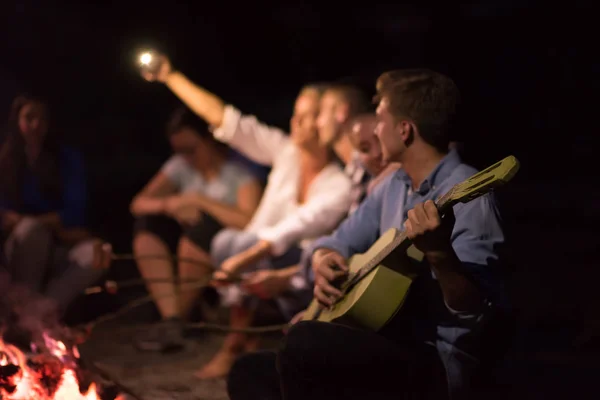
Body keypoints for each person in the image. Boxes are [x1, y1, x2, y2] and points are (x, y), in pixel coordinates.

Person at [227, 69, 507, 400]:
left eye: (380, 119)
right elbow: (336, 242)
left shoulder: (469, 194)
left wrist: (440, 255)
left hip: (435, 363)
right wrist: (324, 260)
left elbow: (474, 308)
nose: (375, 129)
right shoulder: (393, 185)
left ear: (404, 130)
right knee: (249, 371)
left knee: (305, 343)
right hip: (385, 340)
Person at [142, 55, 353, 377]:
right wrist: (170, 76)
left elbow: (291, 230)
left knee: (239, 243)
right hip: (255, 255)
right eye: (295, 114)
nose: (296, 122)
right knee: (229, 240)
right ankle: (238, 340)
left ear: (327, 122)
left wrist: (240, 261)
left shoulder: (338, 184)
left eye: (308, 116)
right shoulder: (286, 153)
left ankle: (235, 344)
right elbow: (226, 120)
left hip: (298, 271)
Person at [130, 106, 262, 352]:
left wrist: (199, 201)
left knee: (200, 233)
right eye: (180, 151)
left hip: (223, 254)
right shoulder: (180, 166)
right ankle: (173, 320)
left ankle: (177, 319)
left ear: (210, 139)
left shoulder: (239, 172)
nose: (187, 158)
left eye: (191, 150)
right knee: (148, 226)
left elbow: (249, 222)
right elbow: (137, 204)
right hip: (184, 250)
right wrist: (171, 204)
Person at [0, 94, 111, 318]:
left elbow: (75, 212)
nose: (36, 124)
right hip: (16, 251)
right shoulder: (5, 161)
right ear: (16, 121)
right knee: (32, 232)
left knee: (99, 253)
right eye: (29, 117)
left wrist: (37, 222)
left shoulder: (66, 159)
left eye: (43, 118)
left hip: (61, 242)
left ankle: (39, 314)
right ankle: (20, 312)